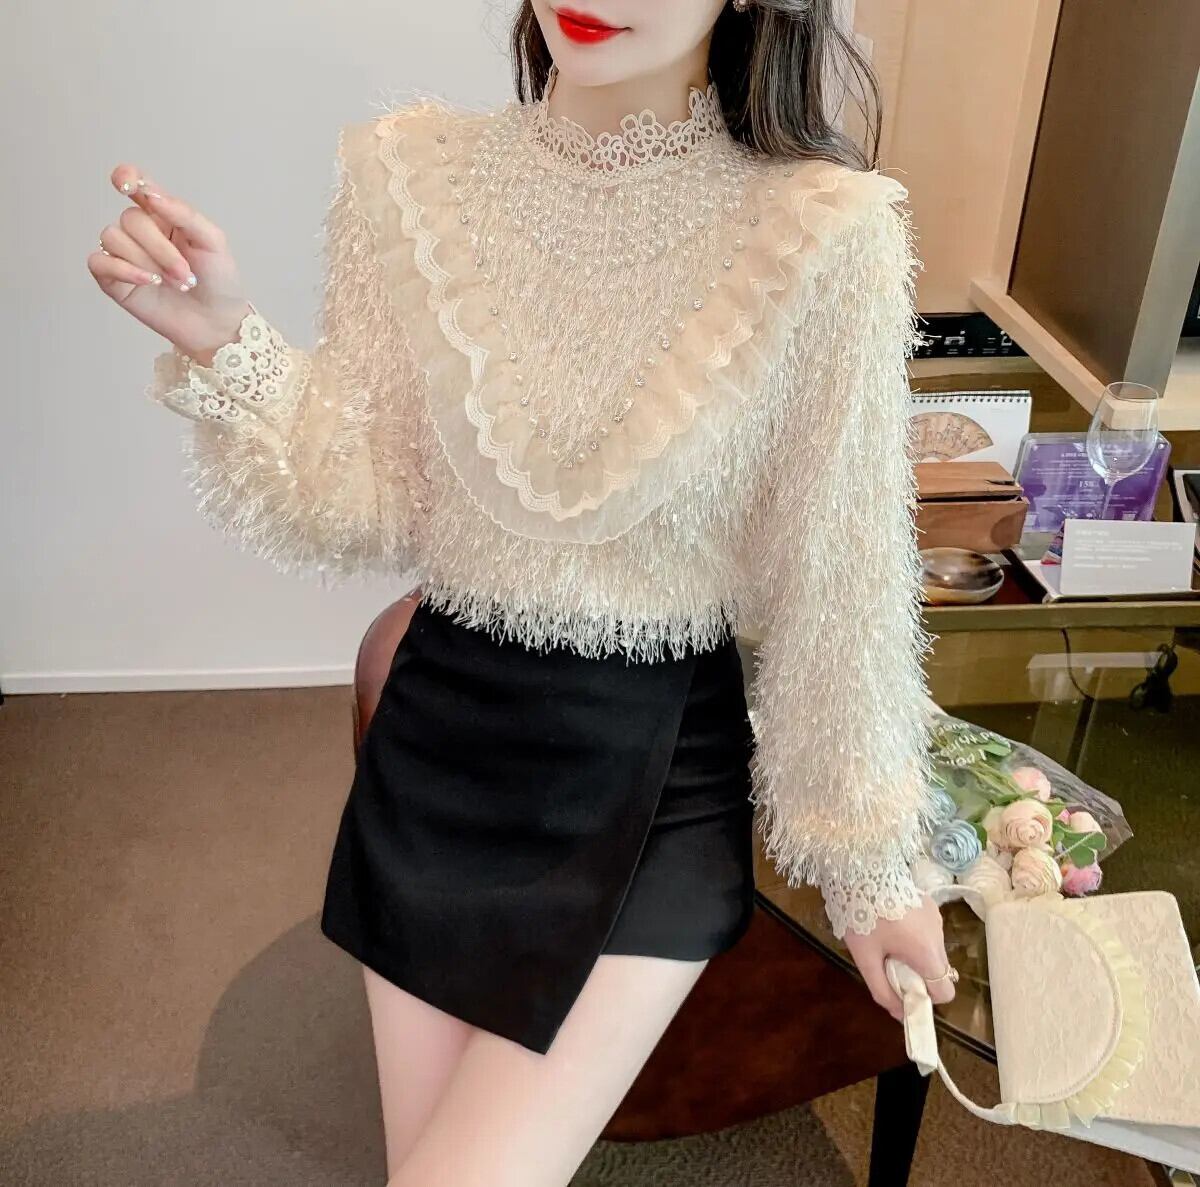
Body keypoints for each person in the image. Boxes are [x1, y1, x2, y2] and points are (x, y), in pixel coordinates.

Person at [88, 1, 958, 1183]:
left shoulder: (827, 229)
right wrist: (225, 338)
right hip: (442, 742)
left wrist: (870, 862)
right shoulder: (409, 174)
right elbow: (369, 501)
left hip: (649, 773)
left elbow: (840, 574)